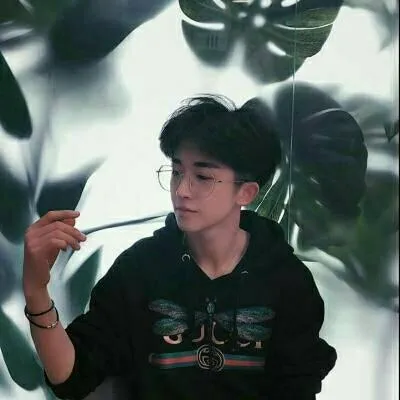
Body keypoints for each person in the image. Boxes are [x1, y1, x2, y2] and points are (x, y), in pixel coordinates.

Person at [23, 95, 337, 400]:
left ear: (246, 192)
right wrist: (36, 291)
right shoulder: (140, 269)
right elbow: (72, 377)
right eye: (176, 172)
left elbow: (297, 388)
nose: (182, 190)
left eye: (202, 177)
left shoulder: (286, 280)